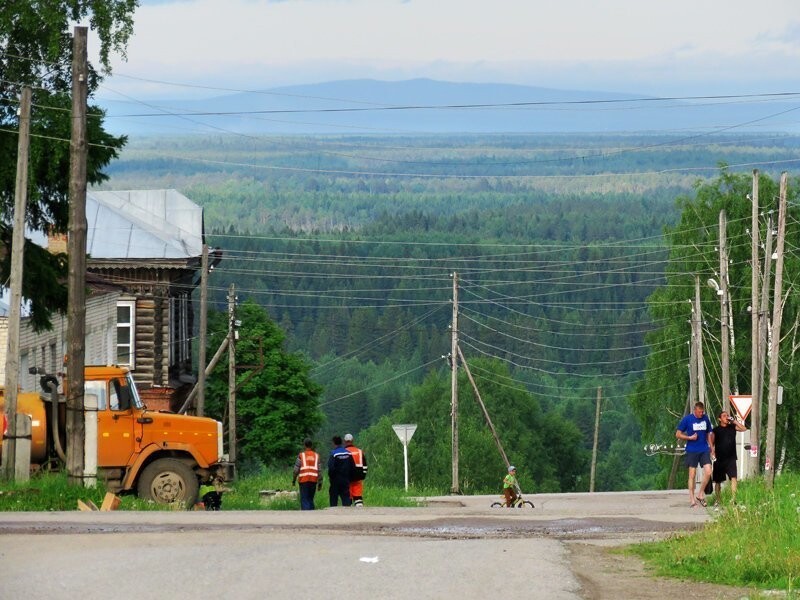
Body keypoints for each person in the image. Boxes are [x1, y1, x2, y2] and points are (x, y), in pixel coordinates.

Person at [676, 401, 713, 508]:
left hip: (704, 449)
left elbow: (708, 433)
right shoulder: (687, 419)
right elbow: (678, 434)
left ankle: (700, 493)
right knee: (692, 475)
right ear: (695, 410)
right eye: (700, 412)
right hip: (692, 450)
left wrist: (711, 447)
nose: (702, 414)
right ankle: (692, 499)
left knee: (708, 471)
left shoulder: (705, 418)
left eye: (703, 412)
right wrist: (689, 438)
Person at [710, 410, 747, 505]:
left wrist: (734, 421)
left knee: (733, 478)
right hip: (719, 459)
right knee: (718, 481)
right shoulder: (716, 430)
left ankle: (733, 499)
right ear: (719, 419)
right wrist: (712, 451)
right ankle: (718, 499)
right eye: (724, 416)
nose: (726, 417)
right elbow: (711, 442)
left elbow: (744, 429)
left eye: (727, 416)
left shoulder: (732, 427)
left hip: (731, 458)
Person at [292, 438, 323, 510]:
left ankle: (306, 518)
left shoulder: (301, 455)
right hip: (313, 480)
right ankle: (312, 517)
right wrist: (320, 483)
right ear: (311, 445)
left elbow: (296, 470)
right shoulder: (316, 456)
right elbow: (320, 471)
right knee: (310, 499)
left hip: (303, 480)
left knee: (304, 499)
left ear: (304, 445)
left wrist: (293, 480)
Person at [328, 435, 355, 507]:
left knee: (333, 499)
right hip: (345, 480)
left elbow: (331, 468)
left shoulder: (333, 454)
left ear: (334, 443)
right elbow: (352, 467)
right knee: (346, 498)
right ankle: (347, 515)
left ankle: (334, 515)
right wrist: (349, 478)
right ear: (341, 442)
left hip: (335, 480)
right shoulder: (348, 453)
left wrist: (331, 478)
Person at [344, 433, 368, 507]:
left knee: (349, 496)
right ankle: (359, 510)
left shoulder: (344, 451)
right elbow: (365, 466)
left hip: (348, 477)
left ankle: (349, 510)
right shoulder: (360, 451)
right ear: (352, 440)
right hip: (358, 477)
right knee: (358, 496)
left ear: (344, 441)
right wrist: (363, 475)